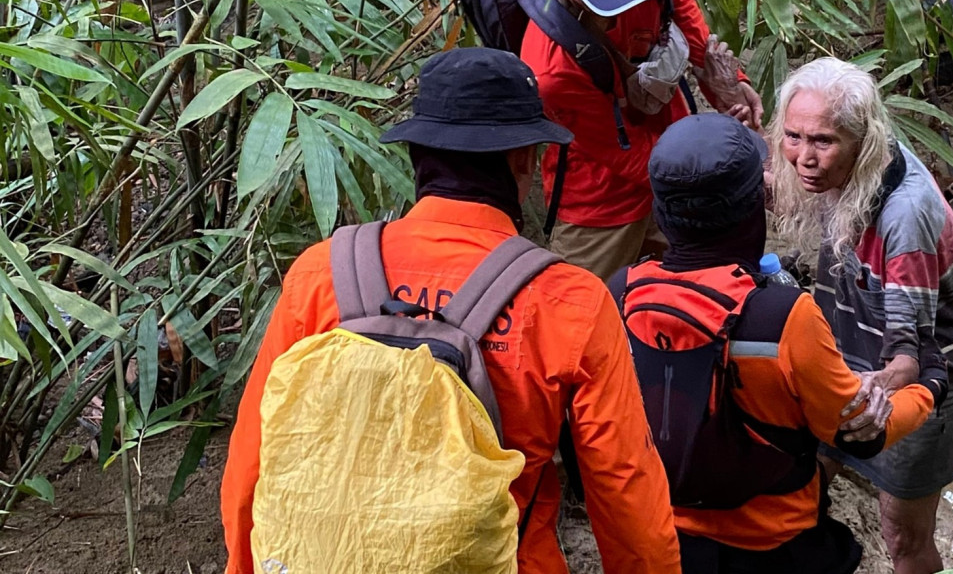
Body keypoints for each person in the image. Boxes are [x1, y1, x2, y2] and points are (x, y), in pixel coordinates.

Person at [220, 48, 681, 574]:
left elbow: (253, 458)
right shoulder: (568, 300)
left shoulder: (322, 273)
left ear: (417, 156)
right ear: (522, 161)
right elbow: (625, 490)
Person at [608, 113, 940, 573]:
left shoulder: (620, 292)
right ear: (751, 209)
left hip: (664, 529)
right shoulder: (783, 316)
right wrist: (929, 386)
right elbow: (857, 431)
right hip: (769, 542)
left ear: (661, 211)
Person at [768, 58, 953, 574]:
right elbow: (773, 186)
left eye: (822, 141)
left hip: (930, 373)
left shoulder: (904, 216)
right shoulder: (840, 169)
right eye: (793, 137)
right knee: (805, 479)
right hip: (854, 344)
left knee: (902, 533)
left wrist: (860, 391)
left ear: (862, 141)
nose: (804, 157)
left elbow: (907, 358)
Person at [523, 0, 763, 281]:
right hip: (602, 199)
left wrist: (723, 80)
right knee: (582, 311)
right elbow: (625, 155)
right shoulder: (551, 70)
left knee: (712, 291)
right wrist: (715, 174)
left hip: (671, 138)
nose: (624, 6)